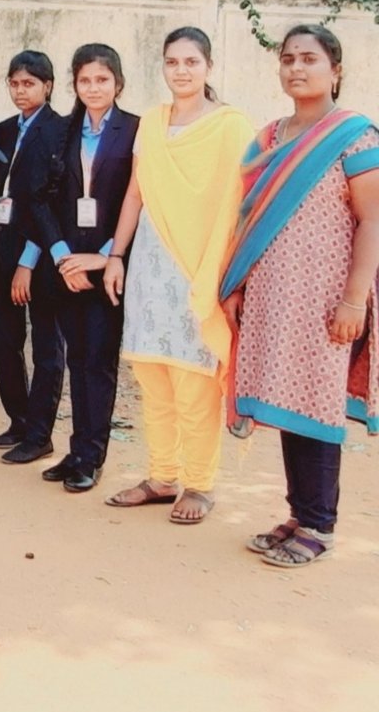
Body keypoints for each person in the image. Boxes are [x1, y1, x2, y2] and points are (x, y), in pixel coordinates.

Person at [221, 24, 379, 566]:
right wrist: (238, 285)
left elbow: (373, 219)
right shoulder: (268, 139)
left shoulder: (355, 135)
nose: (296, 68)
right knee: (289, 403)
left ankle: (320, 525)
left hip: (326, 298)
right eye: (288, 58)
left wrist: (354, 300)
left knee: (317, 403)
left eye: (309, 59)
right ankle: (299, 512)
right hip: (273, 295)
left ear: (335, 70)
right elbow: (247, 220)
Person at [102, 27, 253, 515]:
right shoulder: (152, 122)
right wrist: (116, 255)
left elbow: (239, 204)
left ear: (208, 67)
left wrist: (228, 274)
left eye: (191, 62)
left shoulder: (231, 126)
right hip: (150, 263)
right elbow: (135, 193)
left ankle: (200, 484)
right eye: (172, 62)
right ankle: (162, 476)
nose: (181, 71)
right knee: (153, 377)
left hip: (200, 266)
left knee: (194, 380)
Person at [27, 45, 139, 491]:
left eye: (102, 80)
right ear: (74, 85)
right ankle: (75, 451)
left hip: (108, 266)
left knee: (98, 362)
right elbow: (39, 199)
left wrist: (108, 254)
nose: (93, 88)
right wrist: (61, 256)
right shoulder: (61, 131)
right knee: (76, 359)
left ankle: (92, 457)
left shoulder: (135, 131)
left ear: (118, 83)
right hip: (67, 265)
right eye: (85, 81)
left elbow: (138, 200)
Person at [0, 51, 67, 464]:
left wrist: (28, 262)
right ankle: (18, 420)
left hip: (41, 257)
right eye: (14, 84)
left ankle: (39, 434)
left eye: (29, 83)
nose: (21, 91)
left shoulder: (60, 131)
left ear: (47, 86)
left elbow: (51, 201)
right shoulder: (2, 131)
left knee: (47, 345)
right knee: (4, 341)